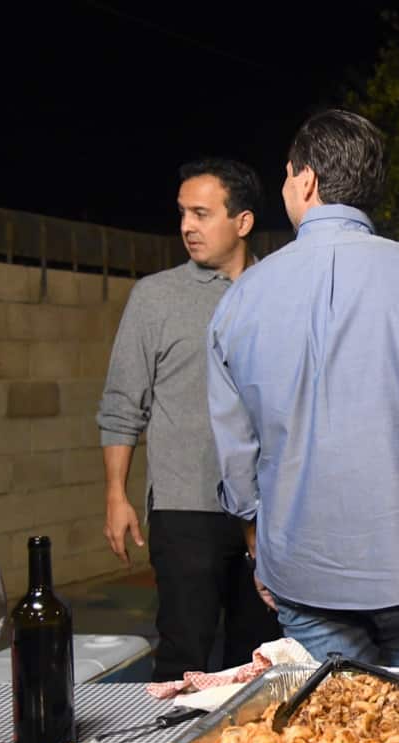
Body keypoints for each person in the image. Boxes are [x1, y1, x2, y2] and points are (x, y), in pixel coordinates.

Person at [207, 109, 399, 669]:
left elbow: (236, 460)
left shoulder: (240, 300)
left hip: (300, 570)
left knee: (340, 734)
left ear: (306, 180)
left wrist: (259, 547)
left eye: (286, 177)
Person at [98, 158, 281, 680]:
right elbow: (120, 404)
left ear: (242, 222)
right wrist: (117, 494)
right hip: (185, 511)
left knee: (262, 662)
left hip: (268, 513)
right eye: (183, 213)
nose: (186, 226)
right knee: (184, 658)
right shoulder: (154, 297)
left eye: (201, 213)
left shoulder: (278, 291)